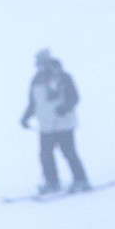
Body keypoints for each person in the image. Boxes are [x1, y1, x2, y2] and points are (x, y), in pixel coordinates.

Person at [20, 49, 90, 195]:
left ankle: (81, 180)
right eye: (38, 64)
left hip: (63, 124)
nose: (39, 67)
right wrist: (25, 117)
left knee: (69, 152)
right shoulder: (36, 80)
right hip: (46, 125)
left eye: (41, 63)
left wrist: (65, 108)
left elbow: (74, 97)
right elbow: (33, 103)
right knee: (45, 155)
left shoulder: (63, 77)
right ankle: (52, 182)